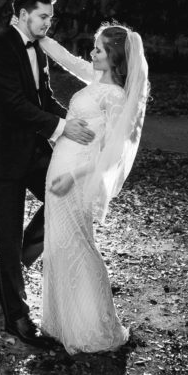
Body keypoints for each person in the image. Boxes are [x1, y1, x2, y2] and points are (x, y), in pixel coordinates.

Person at [0, 0, 96, 350]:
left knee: (70, 196)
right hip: (2, 155)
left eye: (50, 17)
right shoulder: (1, 49)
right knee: (6, 235)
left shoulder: (38, 49)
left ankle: (19, 256)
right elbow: (12, 104)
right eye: (43, 16)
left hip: (32, 151)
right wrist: (60, 129)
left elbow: (43, 98)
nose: (48, 22)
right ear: (24, 14)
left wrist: (75, 122)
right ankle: (17, 317)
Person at [39, 23, 150, 354]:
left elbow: (111, 153)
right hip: (59, 169)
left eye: (99, 49)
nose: (92, 52)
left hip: (76, 178)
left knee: (79, 247)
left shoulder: (115, 95)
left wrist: (74, 175)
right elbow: (69, 60)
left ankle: (95, 327)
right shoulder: (95, 78)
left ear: (113, 57)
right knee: (59, 246)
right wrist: (39, 35)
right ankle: (63, 322)